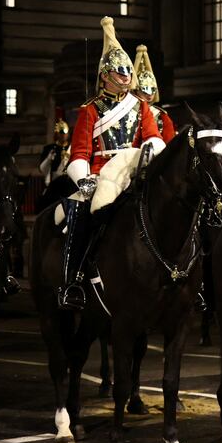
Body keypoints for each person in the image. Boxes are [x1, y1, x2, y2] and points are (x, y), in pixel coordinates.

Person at [59, 16, 164, 310]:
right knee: (79, 212)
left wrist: (149, 156)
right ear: (105, 75)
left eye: (128, 71)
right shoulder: (90, 110)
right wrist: (85, 179)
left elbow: (154, 139)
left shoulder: (141, 107)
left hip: (134, 171)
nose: (126, 76)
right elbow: (80, 153)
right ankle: (73, 280)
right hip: (100, 176)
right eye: (120, 71)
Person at [134, 45, 176, 142]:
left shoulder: (162, 116)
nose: (149, 94)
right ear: (136, 90)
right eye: (145, 90)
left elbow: (170, 144)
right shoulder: (124, 111)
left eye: (152, 89)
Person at [39, 107, 70, 190]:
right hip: (54, 183)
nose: (63, 135)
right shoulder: (49, 149)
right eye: (61, 133)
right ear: (57, 134)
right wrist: (48, 159)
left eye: (65, 133)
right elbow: (41, 169)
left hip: (69, 182)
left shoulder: (72, 148)